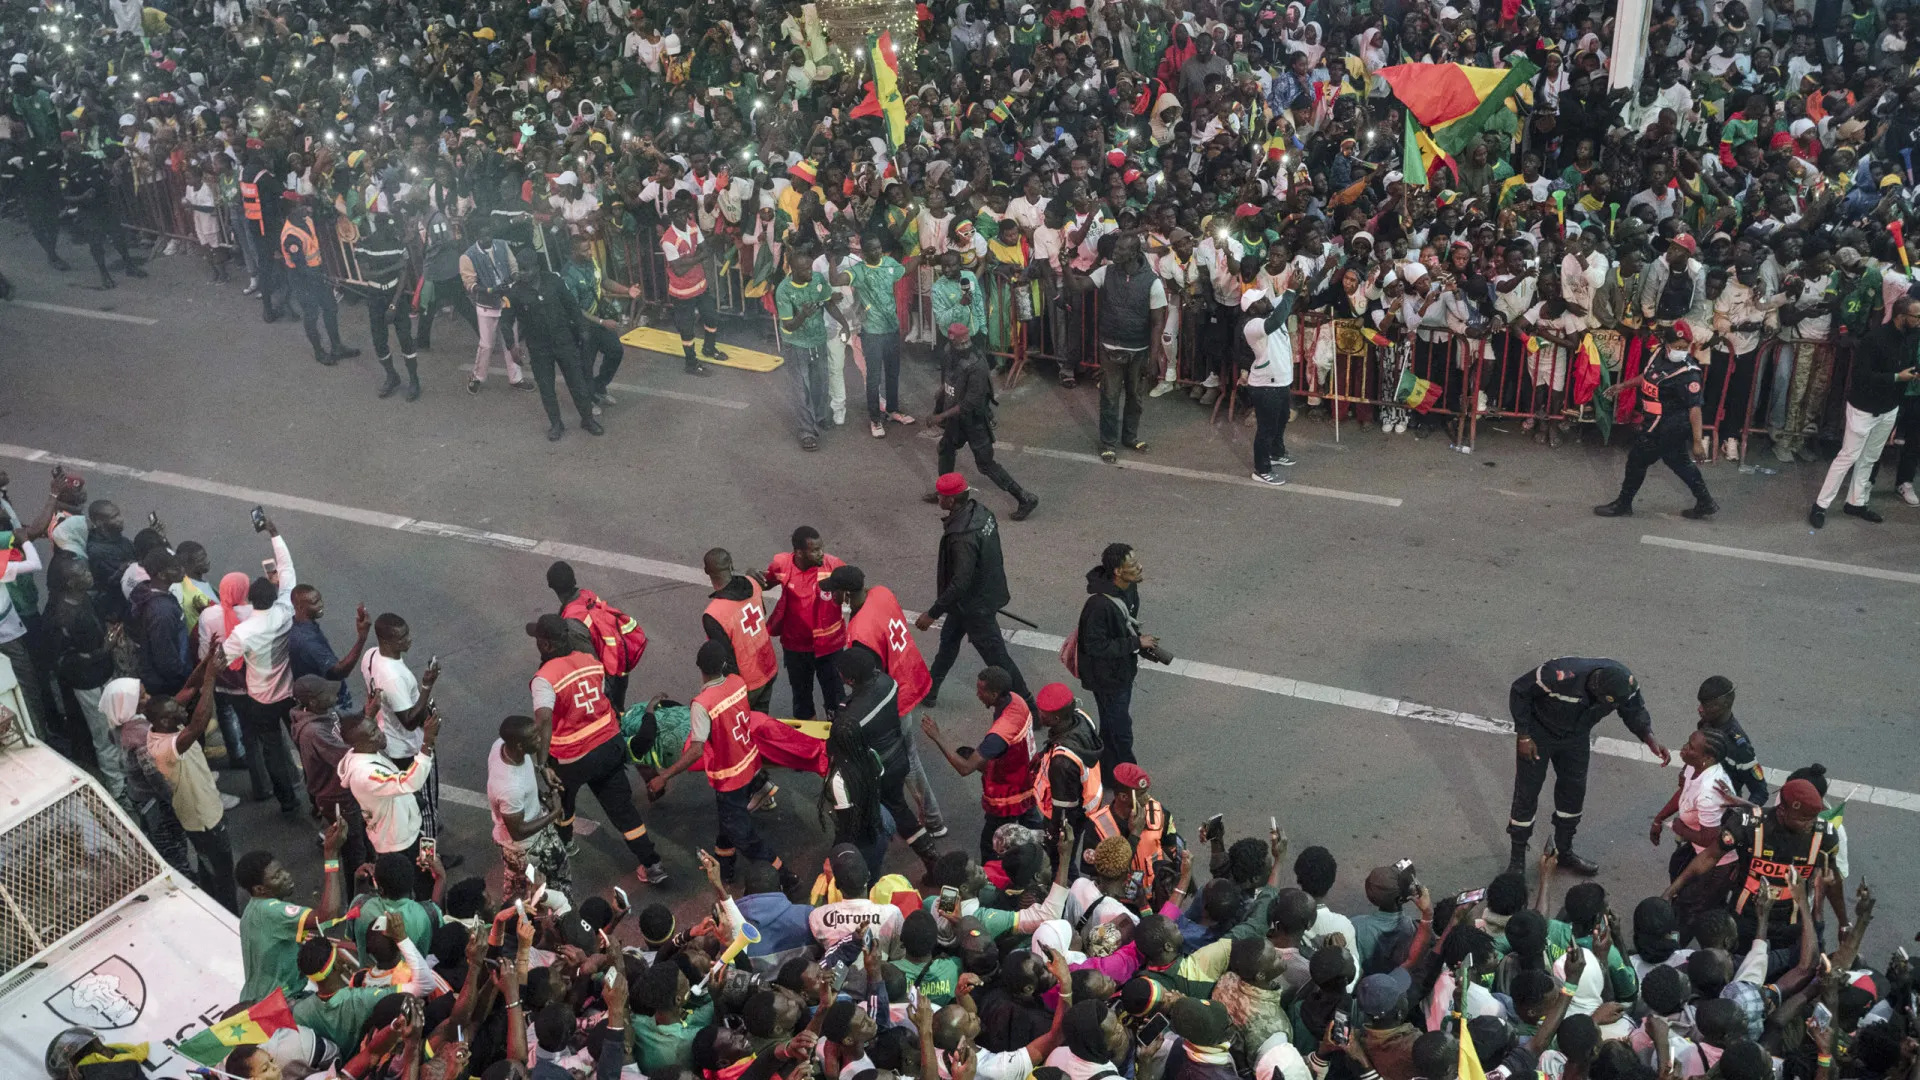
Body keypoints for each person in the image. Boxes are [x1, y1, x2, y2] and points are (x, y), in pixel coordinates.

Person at [527, 612, 669, 886]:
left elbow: (544, 720)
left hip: (571, 758)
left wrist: (542, 763)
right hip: (608, 747)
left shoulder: (544, 678)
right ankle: (652, 864)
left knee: (564, 803)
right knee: (623, 810)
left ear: (546, 645)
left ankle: (566, 845)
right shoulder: (591, 662)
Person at [647, 640, 796, 888]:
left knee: (742, 834)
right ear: (725, 664)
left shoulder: (702, 703)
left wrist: (664, 775)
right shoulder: (737, 682)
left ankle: (785, 876)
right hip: (750, 763)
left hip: (730, 779)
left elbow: (696, 749)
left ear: (700, 668)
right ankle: (725, 869)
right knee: (727, 824)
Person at [1505, 657, 1671, 878]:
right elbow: (1519, 691)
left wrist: (1649, 738)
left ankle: (1564, 851)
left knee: (1573, 794)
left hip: (1576, 737)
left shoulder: (1624, 683)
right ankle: (1517, 860)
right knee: (1527, 793)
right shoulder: (1557, 675)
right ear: (1594, 687)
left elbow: (1633, 710)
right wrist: (1524, 735)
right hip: (1539, 735)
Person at [826, 563, 945, 839]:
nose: (830, 596)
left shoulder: (860, 633)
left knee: (907, 758)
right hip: (911, 675)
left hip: (895, 695)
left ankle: (933, 820)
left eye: (834, 592)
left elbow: (871, 682)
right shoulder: (880, 593)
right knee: (907, 755)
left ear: (845, 593)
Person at [918, 474, 1031, 707]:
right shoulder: (981, 513)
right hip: (971, 601)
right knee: (947, 644)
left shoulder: (962, 536)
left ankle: (1030, 708)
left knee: (999, 661)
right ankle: (929, 691)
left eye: (941, 495)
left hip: (974, 608)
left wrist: (932, 613)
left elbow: (960, 582)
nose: (938, 498)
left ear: (950, 501)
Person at [1808, 296, 1920, 527]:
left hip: (1889, 408)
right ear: (1901, 316)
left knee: (1870, 457)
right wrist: (1898, 377)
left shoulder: (1910, 338)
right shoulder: (1874, 339)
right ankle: (1820, 505)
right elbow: (1862, 376)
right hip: (1863, 408)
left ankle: (1856, 502)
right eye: (1917, 316)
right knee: (1848, 456)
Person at [1593, 320, 1718, 519]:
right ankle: (1706, 502)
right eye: (1677, 347)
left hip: (1667, 427)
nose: (1681, 351)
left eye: (1685, 348)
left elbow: (1695, 409)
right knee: (1679, 463)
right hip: (1656, 423)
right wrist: (1624, 385)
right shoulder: (1658, 354)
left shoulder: (1689, 374)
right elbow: (1648, 376)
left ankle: (1623, 504)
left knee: (1636, 461)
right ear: (1666, 345)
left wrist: (1697, 442)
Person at [920, 666, 1043, 861]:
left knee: (991, 842)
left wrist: (938, 737)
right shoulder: (1016, 701)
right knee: (1033, 824)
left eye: (981, 691)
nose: (977, 694)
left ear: (995, 694)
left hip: (1007, 794)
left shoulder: (999, 734)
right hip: (1025, 778)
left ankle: (995, 875)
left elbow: (965, 768)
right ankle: (1043, 856)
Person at [222, 515, 302, 815]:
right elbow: (288, 570)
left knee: (272, 749)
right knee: (301, 742)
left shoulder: (243, 632)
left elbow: (222, 661)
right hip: (289, 694)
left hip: (260, 699)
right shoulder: (285, 611)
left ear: (251, 601)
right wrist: (274, 532)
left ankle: (287, 800)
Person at [836, 645, 943, 868]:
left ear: (850, 680)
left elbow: (844, 753)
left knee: (864, 818)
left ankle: (858, 862)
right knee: (899, 808)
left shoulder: (849, 718)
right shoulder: (888, 684)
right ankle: (931, 857)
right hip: (898, 757)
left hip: (877, 771)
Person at [145, 661, 239, 912]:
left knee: (209, 869)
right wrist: (211, 680)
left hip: (203, 816)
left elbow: (190, 686)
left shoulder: (163, 724)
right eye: (177, 708)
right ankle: (230, 918)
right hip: (205, 821)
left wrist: (207, 663)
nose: (183, 707)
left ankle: (209, 903)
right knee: (224, 876)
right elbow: (199, 723)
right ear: (165, 719)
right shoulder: (164, 747)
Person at [926, 324, 1040, 520]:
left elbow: (970, 403)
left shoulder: (976, 364)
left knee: (986, 464)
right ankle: (945, 491)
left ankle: (1025, 497)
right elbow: (947, 380)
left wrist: (940, 417)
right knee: (946, 448)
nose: (963, 345)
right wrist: (940, 397)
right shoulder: (948, 352)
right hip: (956, 420)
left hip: (974, 422)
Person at [235, 816, 345, 1003]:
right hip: (281, 1003)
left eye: (282, 870)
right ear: (259, 889)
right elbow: (328, 915)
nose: (286, 876)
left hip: (257, 999)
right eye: (276, 876)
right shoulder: (273, 912)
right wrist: (331, 855)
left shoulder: (253, 910)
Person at [358, 613, 443, 853]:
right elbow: (408, 721)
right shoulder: (394, 676)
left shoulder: (371, 655)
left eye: (407, 633)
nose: (409, 640)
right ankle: (430, 857)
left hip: (389, 741)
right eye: (402, 637)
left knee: (409, 800)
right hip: (409, 747)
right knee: (426, 806)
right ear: (386, 642)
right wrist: (426, 686)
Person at [1082, 233, 1169, 461]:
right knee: (1109, 397)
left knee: (1135, 397)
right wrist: (1065, 268)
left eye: (1120, 249)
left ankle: (1129, 437)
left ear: (1133, 253)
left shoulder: (1152, 282)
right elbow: (1080, 286)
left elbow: (1158, 322)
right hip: (1110, 347)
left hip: (1138, 350)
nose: (1115, 252)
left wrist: (1153, 356)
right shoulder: (1106, 272)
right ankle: (1108, 443)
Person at [502, 249, 605, 441]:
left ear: (537, 268)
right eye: (521, 270)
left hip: (563, 340)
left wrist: (583, 329)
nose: (523, 274)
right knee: (547, 388)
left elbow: (571, 306)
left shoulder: (554, 282)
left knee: (577, 382)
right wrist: (512, 346)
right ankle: (556, 424)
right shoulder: (514, 292)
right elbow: (505, 321)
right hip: (539, 347)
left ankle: (587, 419)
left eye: (527, 270)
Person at [1077, 543, 1157, 780]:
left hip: (1121, 670)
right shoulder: (1099, 606)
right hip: (1107, 678)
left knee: (1111, 727)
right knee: (1121, 730)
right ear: (1117, 572)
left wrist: (1137, 645)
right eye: (1132, 565)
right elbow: (1094, 645)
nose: (1139, 567)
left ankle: (1106, 773)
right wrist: (1135, 645)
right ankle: (1129, 778)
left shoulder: (1130, 588)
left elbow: (1126, 624)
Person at [290, 674, 371, 876]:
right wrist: (370, 742)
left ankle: (371, 878)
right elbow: (346, 757)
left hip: (345, 791)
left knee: (364, 839)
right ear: (313, 701)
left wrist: (368, 711)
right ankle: (358, 894)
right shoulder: (313, 732)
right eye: (328, 694)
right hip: (337, 797)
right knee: (354, 850)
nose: (334, 697)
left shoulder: (324, 712)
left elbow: (347, 720)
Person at [763, 526, 846, 721]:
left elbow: (856, 588)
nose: (821, 553)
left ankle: (838, 737)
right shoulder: (781, 566)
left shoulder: (834, 566)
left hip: (830, 648)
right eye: (815, 550)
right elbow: (765, 583)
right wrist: (752, 578)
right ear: (799, 553)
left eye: (821, 548)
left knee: (836, 697)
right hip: (796, 647)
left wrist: (842, 592)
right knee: (801, 698)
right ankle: (808, 742)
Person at [1032, 681, 1119, 866]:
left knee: (1061, 862)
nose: (1038, 714)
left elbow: (1064, 809)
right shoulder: (1081, 718)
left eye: (1042, 712)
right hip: (1086, 805)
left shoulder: (1062, 762)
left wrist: (1055, 835)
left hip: (1071, 816)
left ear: (1055, 719)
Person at [487, 713, 572, 898]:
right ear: (519, 745)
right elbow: (518, 832)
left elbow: (524, 784)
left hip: (537, 825)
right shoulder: (510, 788)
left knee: (554, 875)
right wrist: (555, 812)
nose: (540, 739)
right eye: (534, 737)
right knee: (536, 892)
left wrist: (542, 788)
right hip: (526, 847)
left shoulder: (500, 747)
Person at [547, 560, 646, 712]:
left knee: (613, 714)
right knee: (620, 707)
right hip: (618, 662)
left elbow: (589, 665)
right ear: (574, 580)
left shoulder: (571, 623)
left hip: (607, 673)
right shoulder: (588, 595)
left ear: (551, 587)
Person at [775, 246, 847, 451]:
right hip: (796, 344)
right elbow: (788, 325)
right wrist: (803, 315)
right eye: (803, 270)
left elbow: (828, 303)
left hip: (817, 340)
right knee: (801, 389)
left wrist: (844, 324)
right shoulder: (784, 290)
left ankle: (821, 416)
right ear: (792, 270)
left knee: (820, 383)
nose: (809, 272)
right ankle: (807, 431)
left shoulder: (816, 280)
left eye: (809, 267)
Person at [843, 232, 913, 437]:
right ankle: (875, 419)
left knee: (893, 372)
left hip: (891, 328)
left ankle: (892, 410)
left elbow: (906, 269)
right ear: (864, 253)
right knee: (873, 377)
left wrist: (921, 256)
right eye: (872, 249)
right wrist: (832, 258)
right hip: (871, 332)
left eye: (879, 247)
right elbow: (836, 278)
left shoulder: (889, 263)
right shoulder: (859, 270)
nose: (877, 251)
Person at [278, 199, 361, 366]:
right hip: (302, 279)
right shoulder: (291, 236)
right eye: (302, 207)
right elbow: (300, 266)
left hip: (317, 272)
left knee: (330, 307)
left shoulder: (306, 219)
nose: (307, 209)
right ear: (292, 211)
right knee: (311, 314)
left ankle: (337, 347)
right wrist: (321, 276)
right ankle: (319, 352)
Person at [562, 235, 640, 407]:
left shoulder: (594, 262)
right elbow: (575, 310)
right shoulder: (568, 275)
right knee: (586, 366)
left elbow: (605, 281)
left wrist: (627, 290)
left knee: (615, 352)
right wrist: (602, 322)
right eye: (584, 250)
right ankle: (588, 400)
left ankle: (599, 387)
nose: (590, 252)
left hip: (600, 319)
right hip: (583, 326)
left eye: (589, 248)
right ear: (573, 252)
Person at [459, 217, 533, 394]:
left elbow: (513, 265)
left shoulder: (501, 245)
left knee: (511, 341)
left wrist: (515, 276)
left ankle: (516, 378)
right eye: (483, 236)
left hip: (507, 301)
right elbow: (470, 284)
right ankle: (477, 376)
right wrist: (489, 290)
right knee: (486, 345)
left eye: (489, 234)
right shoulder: (467, 256)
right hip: (486, 304)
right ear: (477, 235)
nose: (487, 239)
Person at [354, 211, 421, 401]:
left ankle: (414, 380)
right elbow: (367, 275)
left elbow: (403, 275)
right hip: (375, 297)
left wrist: (393, 305)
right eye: (390, 226)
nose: (394, 230)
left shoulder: (398, 244)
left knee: (406, 339)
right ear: (381, 227)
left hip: (395, 296)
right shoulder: (365, 245)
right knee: (379, 341)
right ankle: (392, 376)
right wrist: (392, 268)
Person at [701, 548, 779, 712]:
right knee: (762, 721)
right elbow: (762, 613)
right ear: (731, 565)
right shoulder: (752, 583)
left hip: (747, 682)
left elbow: (725, 658)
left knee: (743, 729)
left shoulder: (713, 614)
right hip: (768, 666)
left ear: (707, 571)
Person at [1240, 274, 1300, 485]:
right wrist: (1291, 291)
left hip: (1281, 381)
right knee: (1266, 429)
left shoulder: (1267, 309)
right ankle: (1261, 469)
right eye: (1262, 300)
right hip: (1266, 385)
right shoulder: (1252, 326)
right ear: (1253, 309)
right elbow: (1276, 321)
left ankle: (1276, 452)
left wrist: (1298, 284)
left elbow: (1289, 299)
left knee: (1282, 419)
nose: (1267, 300)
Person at [661, 197, 723, 375]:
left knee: (711, 317)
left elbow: (705, 249)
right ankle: (691, 363)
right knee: (687, 329)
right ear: (672, 217)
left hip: (700, 285)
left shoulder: (693, 226)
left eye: (686, 214)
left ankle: (709, 349)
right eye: (680, 215)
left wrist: (688, 260)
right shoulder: (668, 240)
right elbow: (678, 270)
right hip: (682, 292)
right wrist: (698, 258)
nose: (685, 219)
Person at [288, 585, 370, 714]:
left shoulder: (301, 626)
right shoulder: (308, 642)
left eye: (320, 600)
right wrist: (362, 637)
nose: (321, 605)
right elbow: (339, 672)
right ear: (300, 607)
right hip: (328, 702)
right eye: (315, 603)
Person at [1694, 676, 1767, 803]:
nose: (1699, 709)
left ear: (1724, 704)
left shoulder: (1739, 747)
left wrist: (1737, 816)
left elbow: (1760, 792)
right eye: (1700, 703)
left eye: (1706, 705)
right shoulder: (1705, 724)